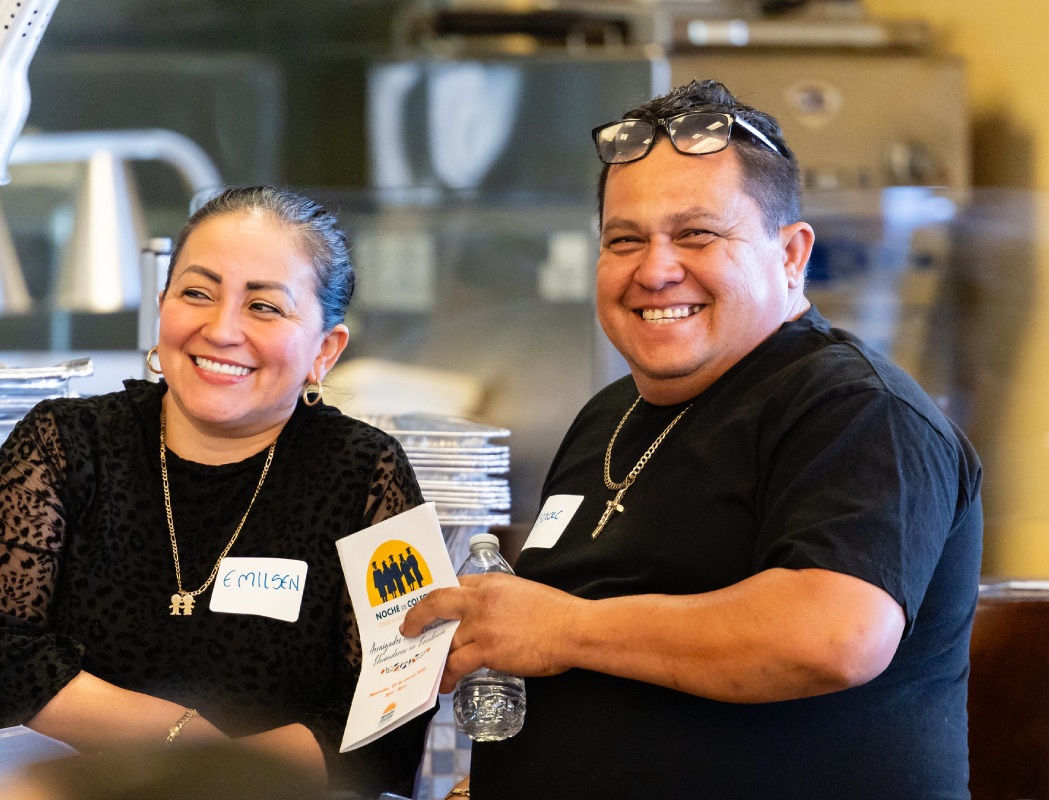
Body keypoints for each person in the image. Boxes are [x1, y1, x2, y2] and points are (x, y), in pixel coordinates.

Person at [402, 80, 983, 799]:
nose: (654, 271)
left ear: (791, 254)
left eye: (696, 235)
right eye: (624, 241)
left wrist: (563, 627)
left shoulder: (857, 408)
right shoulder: (609, 414)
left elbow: (834, 637)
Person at [0, 186, 431, 799]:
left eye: (264, 307)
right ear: (162, 307)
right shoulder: (63, 443)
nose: (221, 329)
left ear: (325, 350)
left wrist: (224, 782)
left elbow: (390, 718)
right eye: (197, 293)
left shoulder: (369, 472)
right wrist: (186, 744)